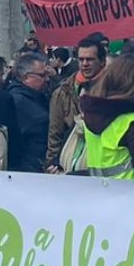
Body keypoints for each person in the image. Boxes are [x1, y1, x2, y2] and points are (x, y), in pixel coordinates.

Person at [46, 35, 107, 173]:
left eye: (90, 59)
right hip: (69, 164)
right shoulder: (63, 92)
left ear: (102, 62)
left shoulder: (114, 90)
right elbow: (55, 133)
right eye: (81, 59)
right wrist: (52, 164)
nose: (85, 63)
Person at [0, 53, 53, 173]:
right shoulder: (18, 102)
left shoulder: (39, 97)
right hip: (29, 171)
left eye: (48, 74)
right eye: (42, 75)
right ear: (25, 77)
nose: (47, 79)